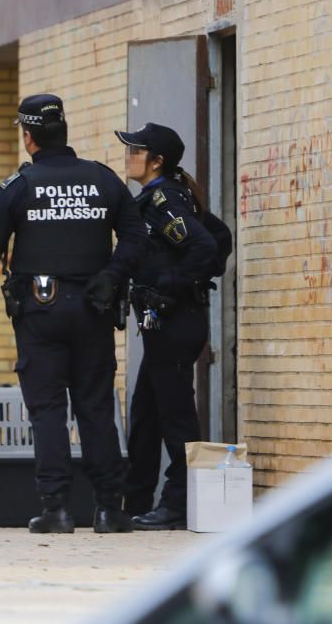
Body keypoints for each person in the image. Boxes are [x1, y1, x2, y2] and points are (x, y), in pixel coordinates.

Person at [0, 94, 147, 534]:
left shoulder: (19, 186)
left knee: (47, 408)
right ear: (64, 132)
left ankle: (57, 508)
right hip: (94, 309)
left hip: (39, 311)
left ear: (28, 138)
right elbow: (136, 236)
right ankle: (108, 509)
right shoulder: (103, 180)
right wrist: (112, 273)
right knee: (96, 406)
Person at [114, 123, 231, 530]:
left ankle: (178, 503)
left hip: (176, 323)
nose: (128, 156)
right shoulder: (158, 198)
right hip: (163, 326)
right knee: (146, 414)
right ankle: (137, 500)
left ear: (156, 161)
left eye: (136, 150)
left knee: (176, 417)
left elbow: (205, 245)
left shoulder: (164, 201)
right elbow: (219, 235)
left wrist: (171, 286)